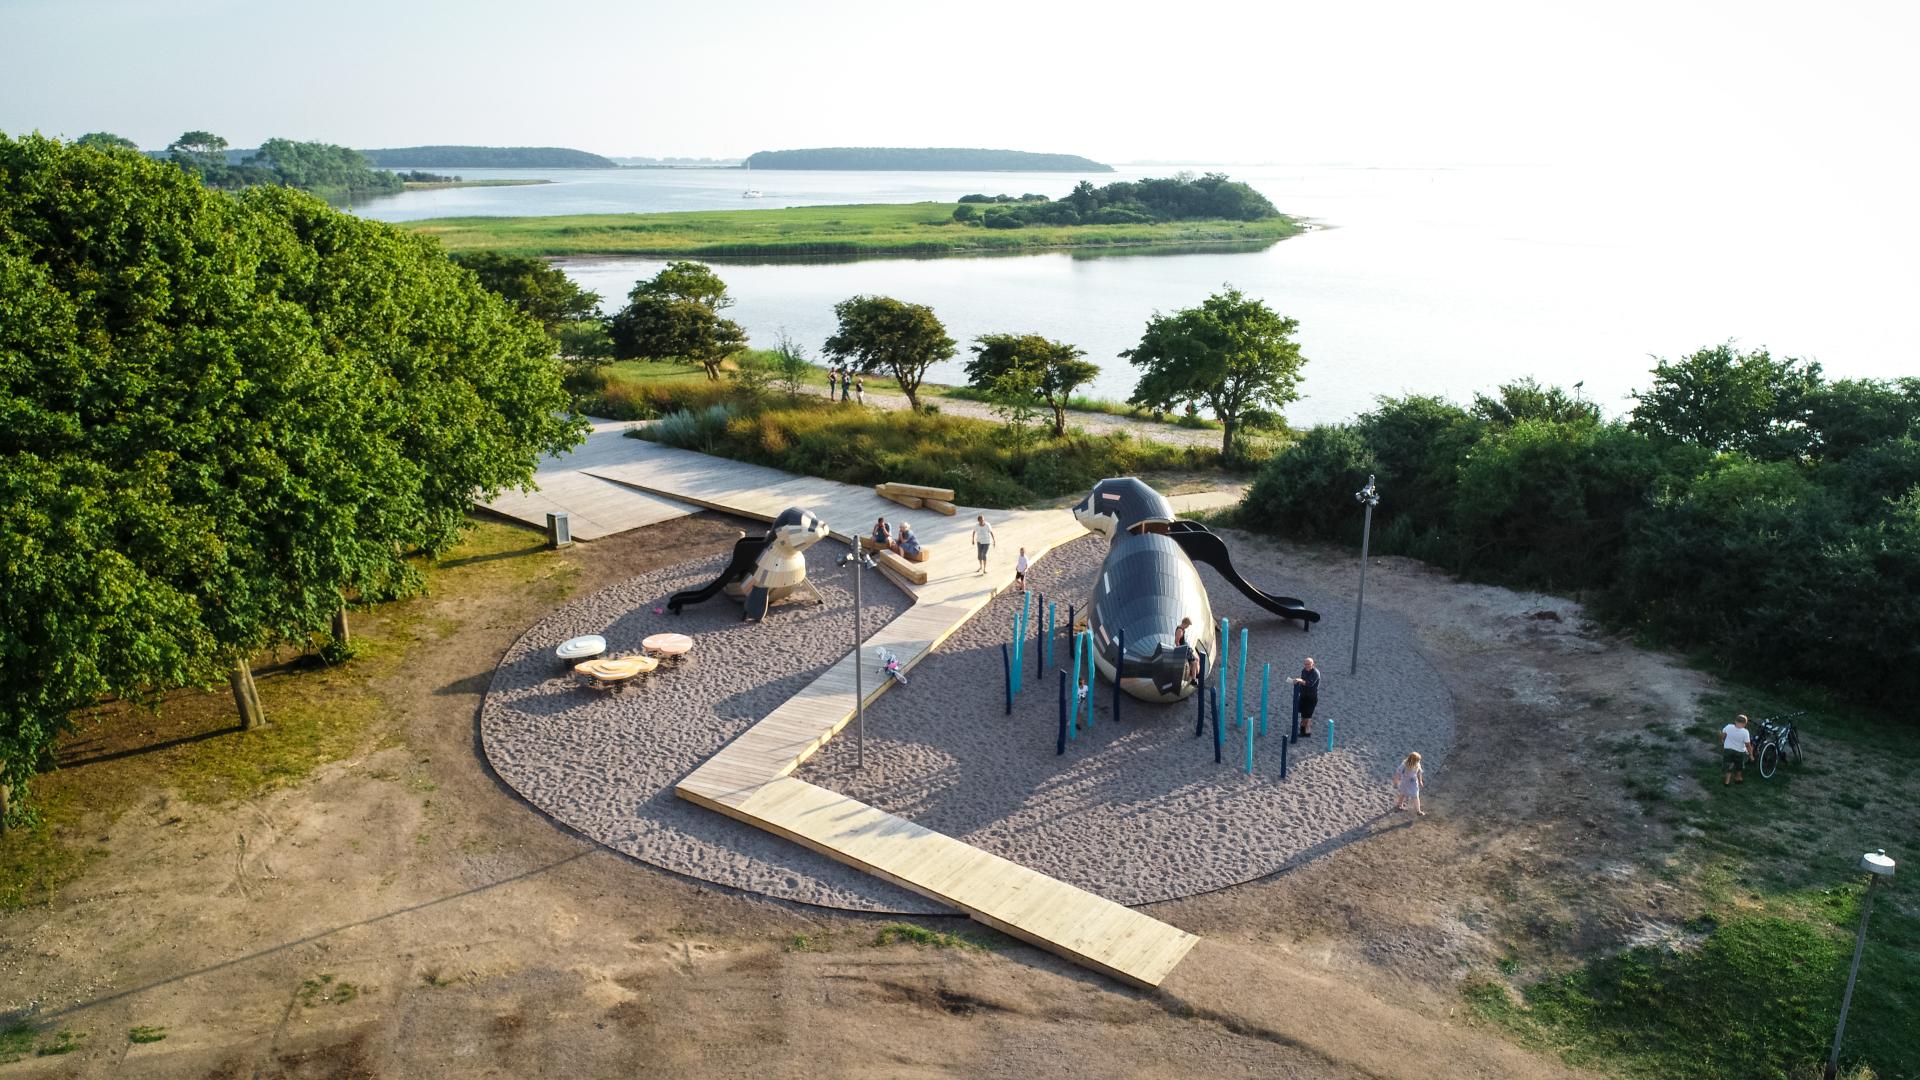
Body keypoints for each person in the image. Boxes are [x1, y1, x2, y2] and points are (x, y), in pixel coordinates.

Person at [1719, 713, 1755, 786]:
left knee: (1728, 764)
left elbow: (1723, 735)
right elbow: (1747, 745)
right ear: (1745, 724)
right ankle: (1738, 778)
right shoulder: (1745, 732)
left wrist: (1723, 740)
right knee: (1739, 766)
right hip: (1739, 752)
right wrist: (1751, 755)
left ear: (1735, 721)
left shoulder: (1728, 727)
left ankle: (1727, 781)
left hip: (1728, 750)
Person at [1291, 657, 1320, 737]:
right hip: (1303, 695)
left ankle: (1307, 733)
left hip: (1311, 697)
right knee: (1303, 714)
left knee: (1308, 715)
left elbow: (1309, 684)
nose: (1307, 666)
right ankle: (1302, 731)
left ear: (1313, 664)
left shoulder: (1315, 673)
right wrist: (1297, 681)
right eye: (1305, 664)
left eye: (1309, 664)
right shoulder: (1303, 671)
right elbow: (1303, 681)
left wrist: (1300, 681)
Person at [1174, 617, 1200, 685]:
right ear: (1185, 623)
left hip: (1185, 648)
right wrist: (1181, 651)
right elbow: (1177, 642)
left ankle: (1196, 675)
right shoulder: (1180, 630)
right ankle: (1193, 679)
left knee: (1196, 659)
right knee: (1194, 662)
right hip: (1183, 650)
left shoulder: (1182, 630)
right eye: (1188, 625)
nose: (1188, 627)